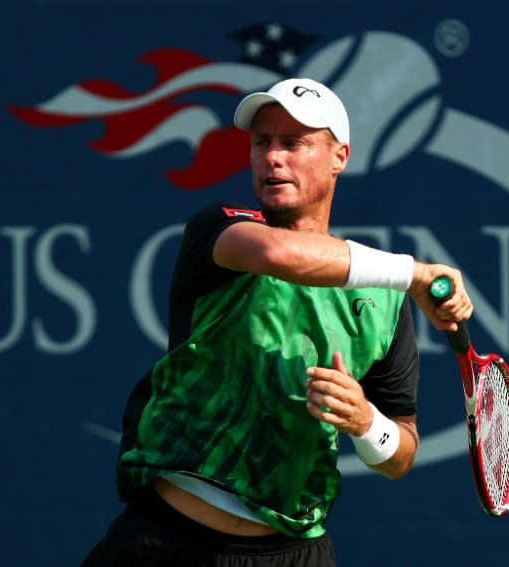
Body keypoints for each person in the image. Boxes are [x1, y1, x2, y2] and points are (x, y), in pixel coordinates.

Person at [81, 77, 473, 566]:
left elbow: (402, 452)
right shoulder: (221, 229)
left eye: (294, 143)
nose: (273, 157)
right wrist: (415, 274)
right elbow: (277, 252)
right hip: (166, 543)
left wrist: (365, 421)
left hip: (295, 554)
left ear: (340, 157)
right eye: (261, 142)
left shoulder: (384, 303)